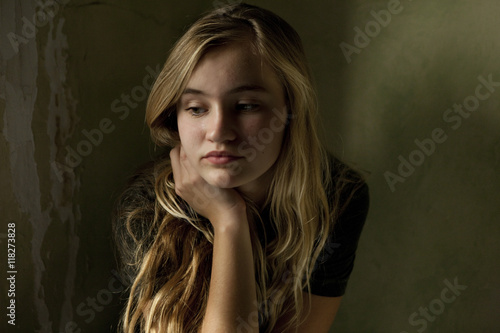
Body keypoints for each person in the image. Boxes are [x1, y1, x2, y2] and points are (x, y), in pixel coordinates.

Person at [114, 3, 369, 333]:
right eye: (196, 108)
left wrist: (227, 218)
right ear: (173, 114)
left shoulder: (336, 195)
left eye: (246, 105)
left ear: (289, 109)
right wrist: (230, 221)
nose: (219, 131)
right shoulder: (147, 206)